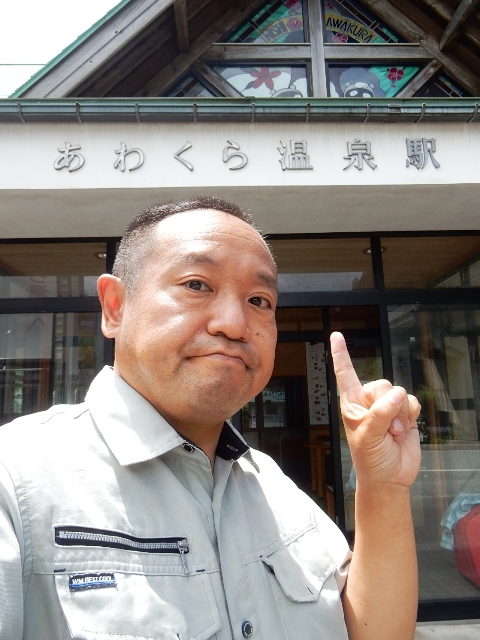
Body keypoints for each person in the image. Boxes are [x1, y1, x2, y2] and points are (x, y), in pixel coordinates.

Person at [0, 196, 421, 640]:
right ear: (115, 307)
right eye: (197, 285)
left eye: (259, 300)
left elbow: (372, 631)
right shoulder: (17, 480)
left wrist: (383, 489)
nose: (234, 324)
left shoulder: (273, 485)